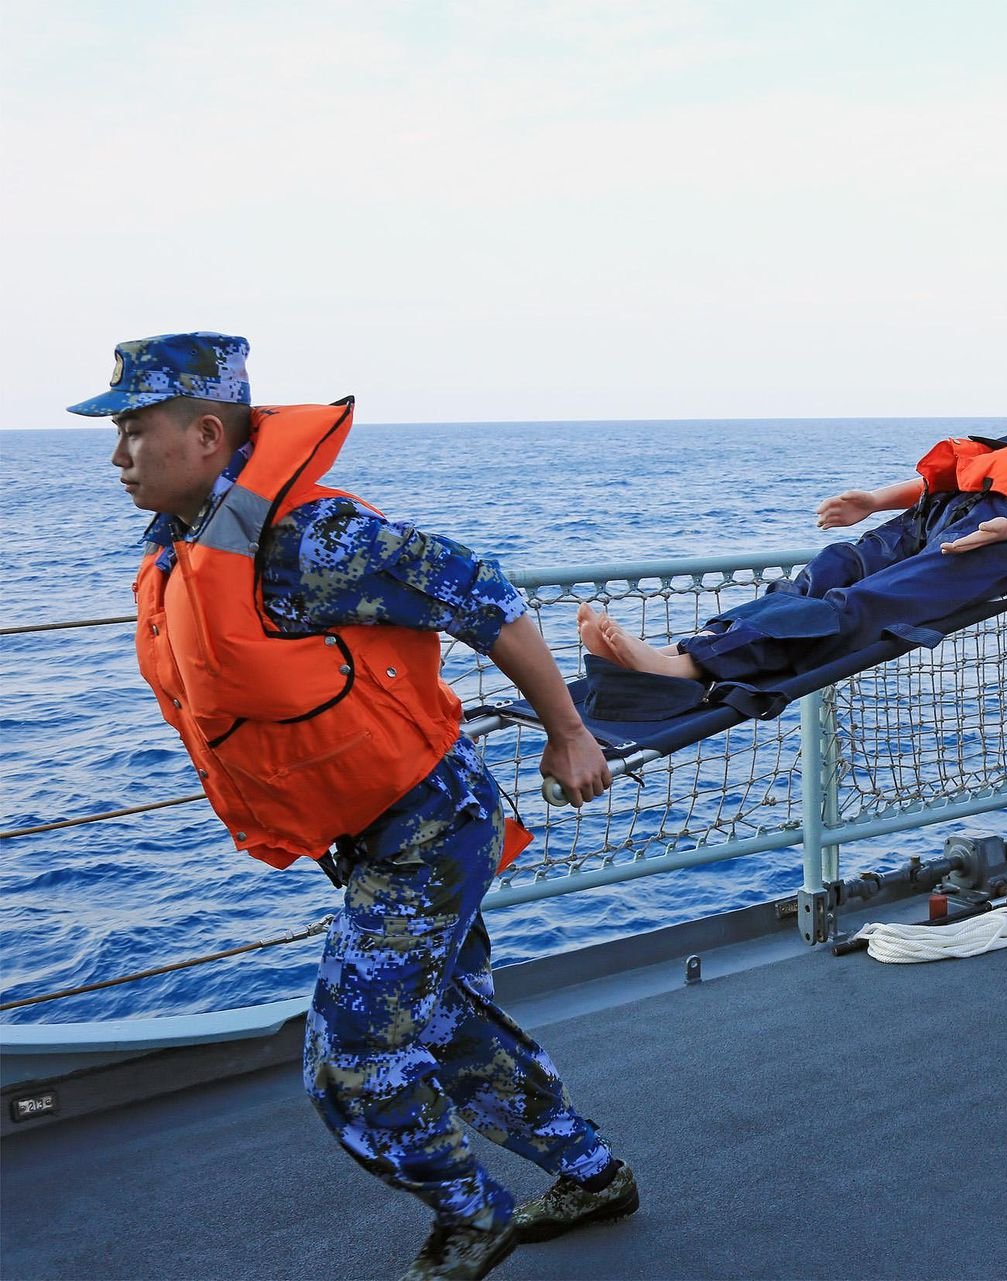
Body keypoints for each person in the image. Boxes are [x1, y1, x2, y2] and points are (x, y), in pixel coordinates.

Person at [74, 333, 637, 1281]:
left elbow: (483, 593)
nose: (118, 456)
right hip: (370, 830)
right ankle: (591, 1175)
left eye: (134, 431)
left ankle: (472, 1216)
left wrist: (569, 732)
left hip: (428, 824)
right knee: (447, 1023)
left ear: (208, 434)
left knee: (353, 1058)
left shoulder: (315, 538)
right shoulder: (189, 540)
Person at [579, 392, 1007, 691]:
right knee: (836, 566)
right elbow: (981, 461)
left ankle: (687, 668)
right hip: (957, 508)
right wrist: (876, 498)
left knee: (863, 606)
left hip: (1004, 537)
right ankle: (691, 645)